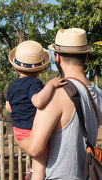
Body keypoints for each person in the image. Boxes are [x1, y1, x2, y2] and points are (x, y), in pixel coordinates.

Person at [15, 28, 102, 180]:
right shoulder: (99, 93)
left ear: (57, 57)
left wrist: (17, 136)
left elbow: (35, 149)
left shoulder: (57, 94)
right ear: (86, 57)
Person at [6, 40, 66, 180]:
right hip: (31, 131)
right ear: (41, 69)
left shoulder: (12, 85)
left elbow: (9, 107)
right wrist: (51, 85)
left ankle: (31, 172)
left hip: (18, 130)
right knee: (40, 163)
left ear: (16, 68)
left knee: (35, 159)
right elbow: (38, 102)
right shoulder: (34, 83)